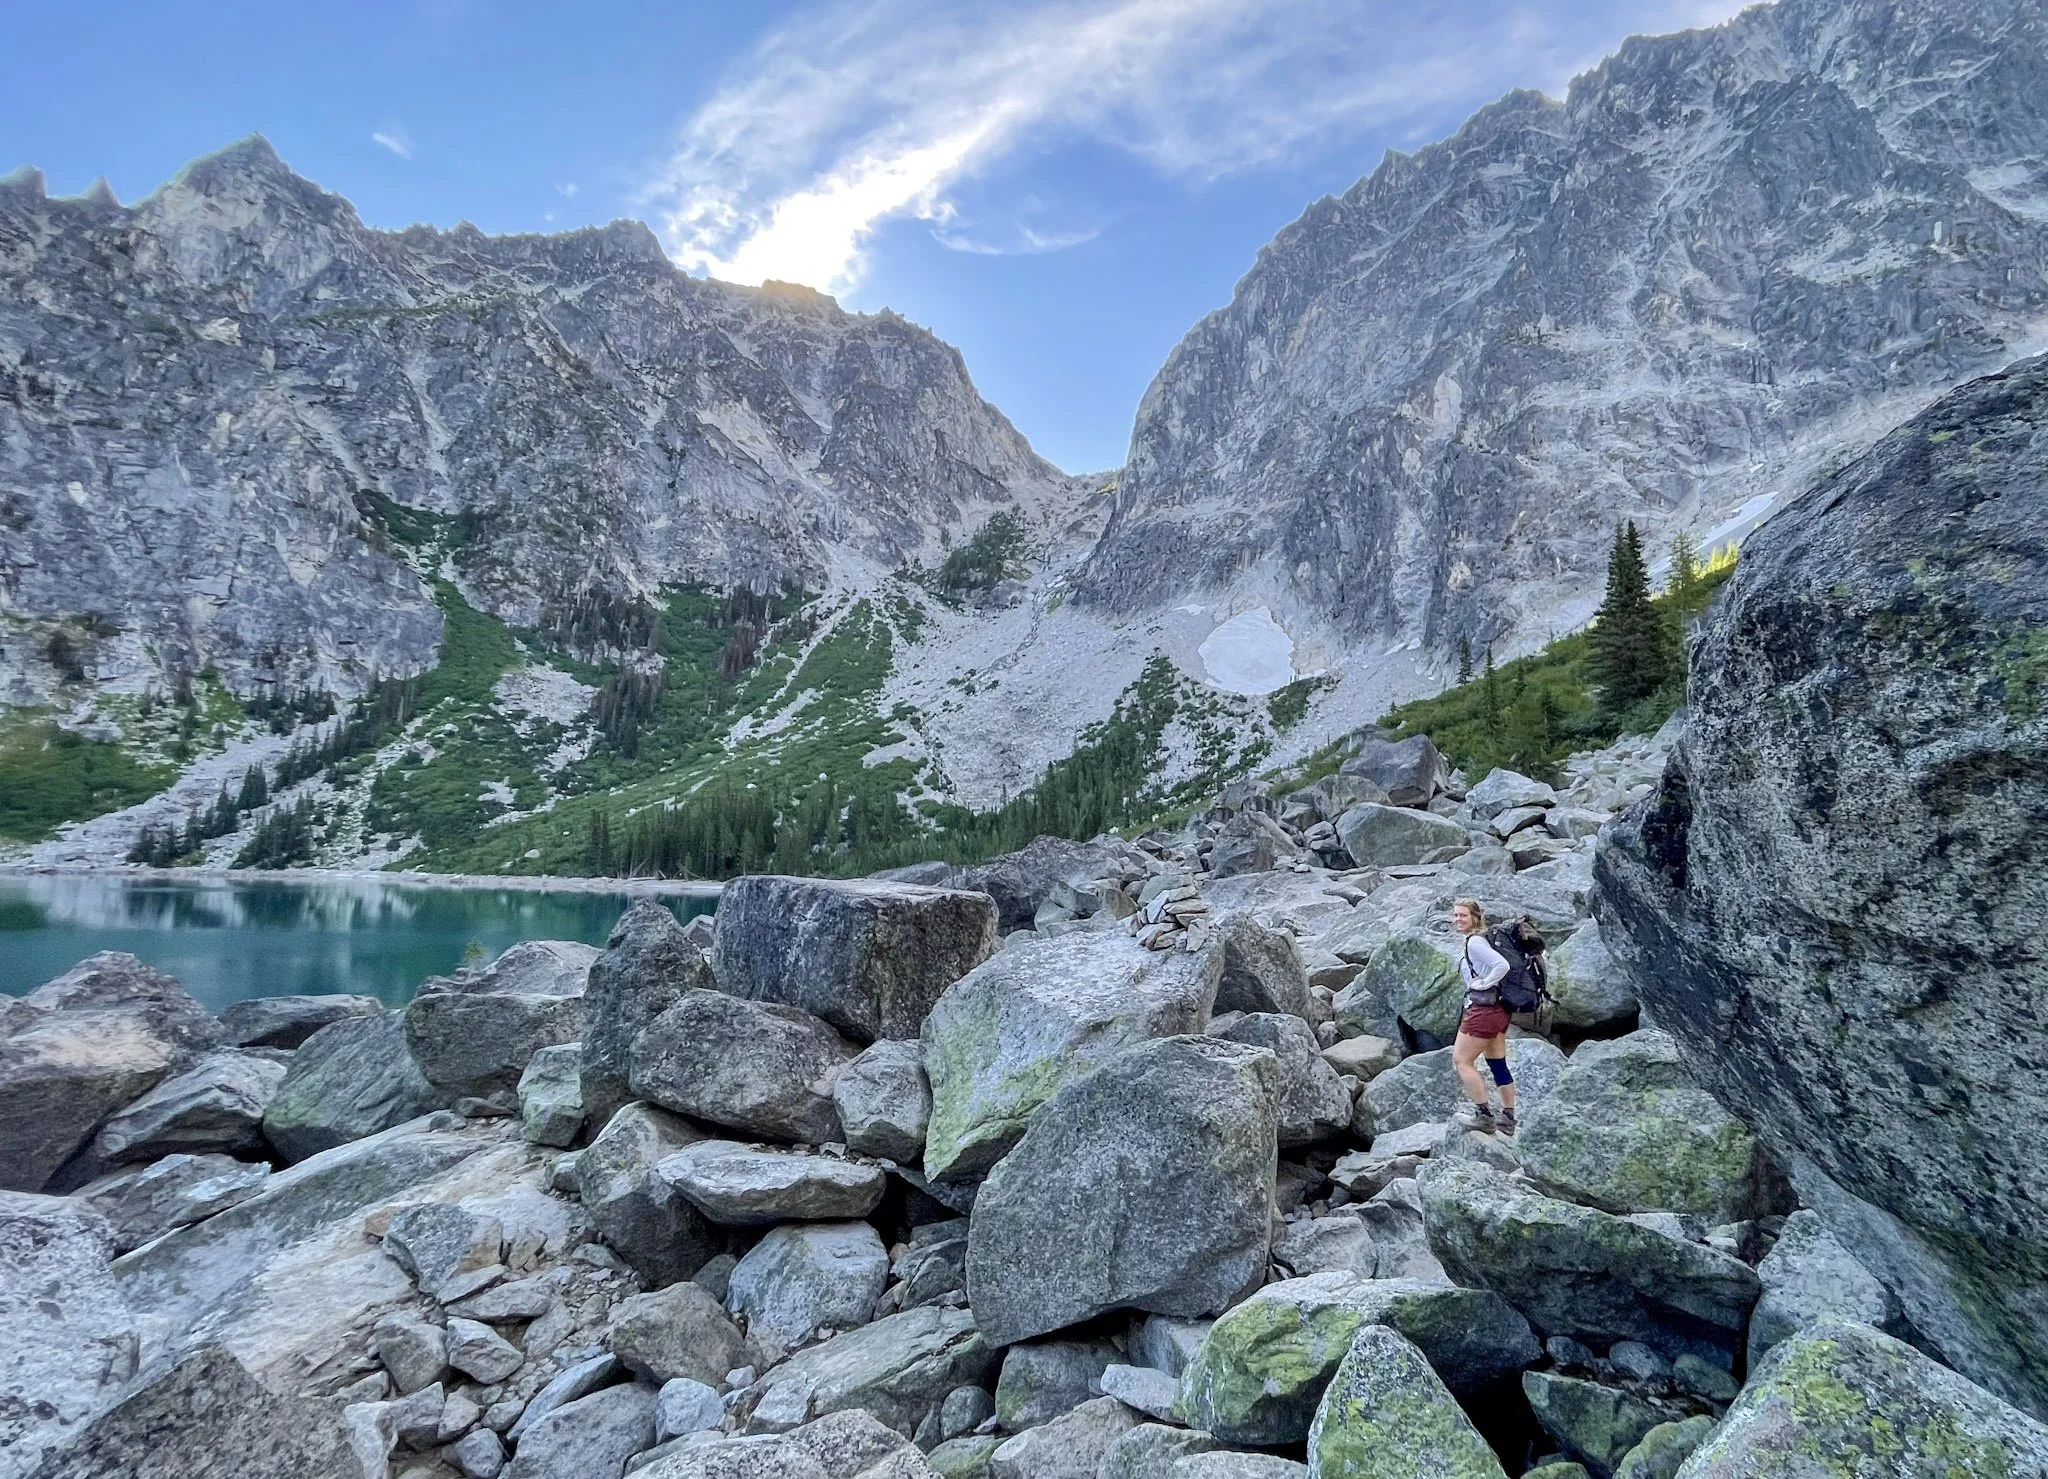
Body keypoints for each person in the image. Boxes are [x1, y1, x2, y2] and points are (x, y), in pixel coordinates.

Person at [1450, 897, 1516, 1134]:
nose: (1458, 919)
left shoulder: (1475, 943)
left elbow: (1502, 966)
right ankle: (1508, 1118)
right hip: (1499, 1011)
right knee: (1497, 1064)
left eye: (1463, 915)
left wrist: (1484, 984)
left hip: (1484, 1011)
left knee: (1461, 1060)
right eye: (1456, 915)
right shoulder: (1482, 940)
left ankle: (1484, 1115)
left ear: (1475, 918)